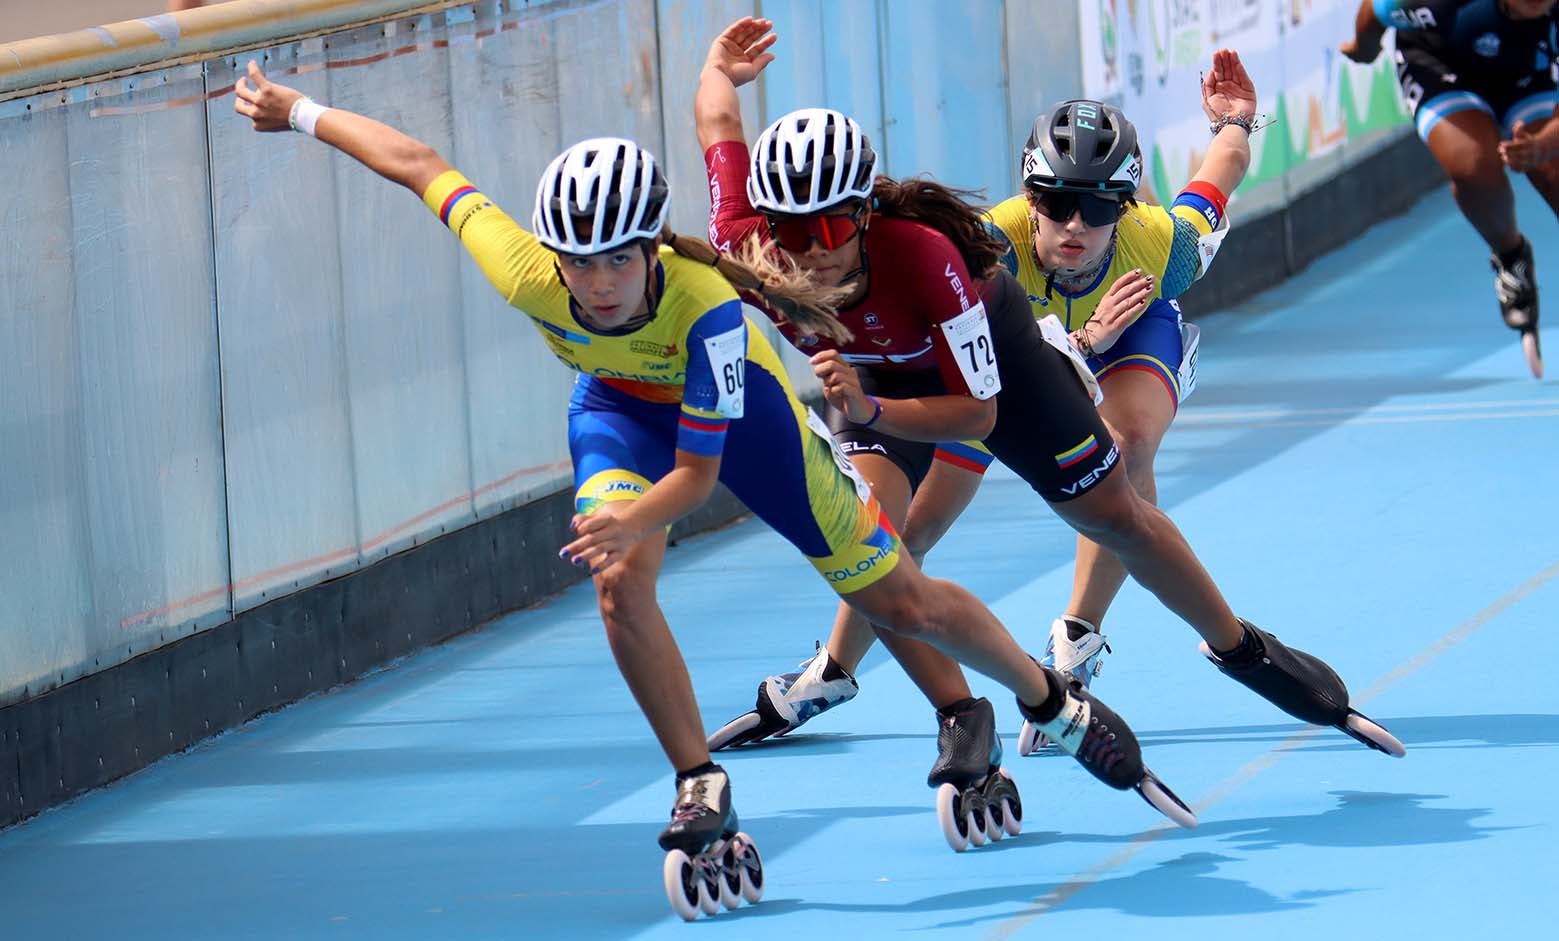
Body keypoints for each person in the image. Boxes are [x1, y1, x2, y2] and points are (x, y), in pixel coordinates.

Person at [232, 59, 1187, 908]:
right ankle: (699, 779)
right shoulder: (526, 272)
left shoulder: (708, 308)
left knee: (893, 590)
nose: (597, 284)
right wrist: (301, 110)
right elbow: (414, 163)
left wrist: (631, 518)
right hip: (615, 412)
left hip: (742, 423)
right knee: (619, 585)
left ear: (652, 249)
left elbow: (698, 477)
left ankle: (1032, 697)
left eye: (616, 259)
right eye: (578, 263)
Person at [698, 18, 1404, 768]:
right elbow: (717, 122)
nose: (1074, 225)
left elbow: (1223, 165)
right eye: (1055, 203)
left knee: (1124, 454)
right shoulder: (973, 241)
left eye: (1098, 208)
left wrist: (1235, 119)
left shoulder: (1160, 250)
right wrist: (716, 70)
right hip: (976, 364)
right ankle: (834, 672)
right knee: (895, 540)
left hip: (1107, 341)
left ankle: (1081, 638)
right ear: (1025, 197)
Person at [1343, 0, 1559, 378]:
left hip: (1533, 75)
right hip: (1441, 68)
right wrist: (1364, 49)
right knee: (1476, 168)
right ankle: (1512, 258)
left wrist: (1540, 147)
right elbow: (1372, 13)